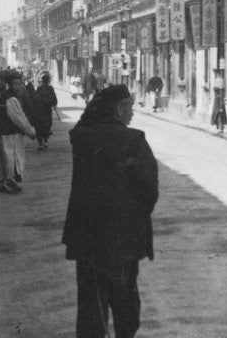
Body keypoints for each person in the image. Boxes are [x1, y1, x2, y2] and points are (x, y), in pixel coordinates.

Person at [62, 84, 158, 338]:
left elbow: (83, 125)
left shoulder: (81, 138)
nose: (132, 114)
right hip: (122, 239)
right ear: (118, 109)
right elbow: (149, 191)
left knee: (91, 307)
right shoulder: (133, 140)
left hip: (87, 238)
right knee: (126, 305)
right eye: (129, 107)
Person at [0, 72, 37, 193]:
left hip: (1, 132)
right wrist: (31, 132)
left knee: (2, 158)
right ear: (10, 85)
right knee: (11, 157)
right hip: (10, 133)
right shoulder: (11, 99)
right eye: (15, 84)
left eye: (20, 84)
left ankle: (2, 182)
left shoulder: (5, 96)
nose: (18, 86)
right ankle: (9, 180)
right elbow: (19, 118)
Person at [32, 72, 58, 151]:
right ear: (48, 81)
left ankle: (40, 144)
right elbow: (54, 99)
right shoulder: (50, 88)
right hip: (47, 111)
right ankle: (45, 141)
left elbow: (34, 99)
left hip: (39, 111)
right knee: (47, 126)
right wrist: (54, 104)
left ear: (42, 81)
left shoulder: (39, 89)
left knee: (39, 127)